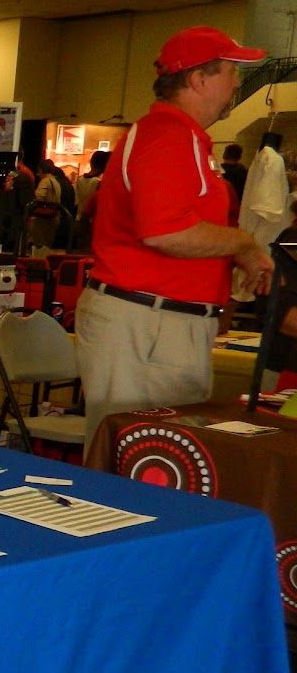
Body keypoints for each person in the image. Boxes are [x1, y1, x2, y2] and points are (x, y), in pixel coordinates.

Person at [76, 26, 275, 441]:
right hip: (148, 321)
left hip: (154, 320)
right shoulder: (168, 137)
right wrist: (243, 243)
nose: (238, 82)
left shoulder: (180, 138)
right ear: (198, 79)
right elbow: (164, 232)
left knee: (152, 452)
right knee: (142, 453)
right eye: (231, 71)